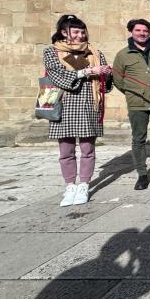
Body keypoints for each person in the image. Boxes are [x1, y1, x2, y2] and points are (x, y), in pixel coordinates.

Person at [43, 15, 112, 207]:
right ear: (64, 32)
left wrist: (107, 74)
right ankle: (70, 185)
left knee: (88, 150)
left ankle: (84, 185)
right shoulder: (52, 52)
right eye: (76, 32)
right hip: (63, 105)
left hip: (89, 105)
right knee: (66, 151)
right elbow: (58, 74)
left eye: (82, 32)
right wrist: (88, 72)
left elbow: (106, 87)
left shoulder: (95, 52)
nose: (81, 35)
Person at [113, 18, 150, 191]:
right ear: (132, 32)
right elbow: (118, 79)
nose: (142, 33)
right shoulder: (123, 55)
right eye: (138, 30)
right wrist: (133, 92)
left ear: (149, 32)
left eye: (145, 30)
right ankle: (142, 174)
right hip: (137, 104)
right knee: (138, 139)